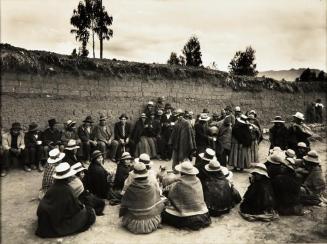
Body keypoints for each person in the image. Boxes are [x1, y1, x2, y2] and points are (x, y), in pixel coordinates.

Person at [35, 162, 96, 238]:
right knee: (89, 213)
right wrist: (83, 207)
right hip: (52, 221)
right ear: (67, 177)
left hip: (44, 217)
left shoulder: (54, 186)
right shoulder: (67, 190)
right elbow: (74, 209)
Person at [162, 160, 211, 230]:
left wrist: (167, 190)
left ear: (182, 172)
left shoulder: (179, 184)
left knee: (164, 212)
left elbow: (171, 196)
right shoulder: (198, 180)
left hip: (187, 216)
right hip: (203, 214)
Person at [119, 162, 165, 234]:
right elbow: (158, 201)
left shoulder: (130, 188)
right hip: (149, 221)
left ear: (134, 175)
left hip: (134, 223)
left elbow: (124, 205)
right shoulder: (152, 186)